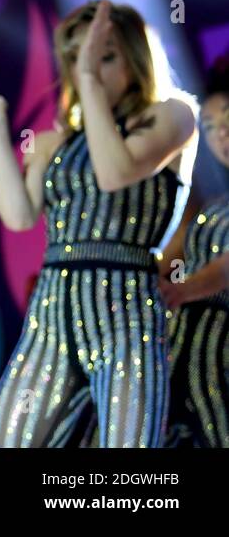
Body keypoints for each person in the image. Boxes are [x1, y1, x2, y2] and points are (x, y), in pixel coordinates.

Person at [0, 0, 197, 447]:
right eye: (79, 57)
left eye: (106, 55)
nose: (90, 68)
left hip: (127, 311)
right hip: (52, 311)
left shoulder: (171, 115)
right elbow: (19, 216)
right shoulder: (53, 142)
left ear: (136, 56)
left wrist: (87, 84)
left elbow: (115, 172)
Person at [157, 56, 229, 446]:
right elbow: (168, 261)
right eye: (212, 127)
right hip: (183, 349)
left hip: (218, 351)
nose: (221, 135)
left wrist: (185, 289)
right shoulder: (214, 205)